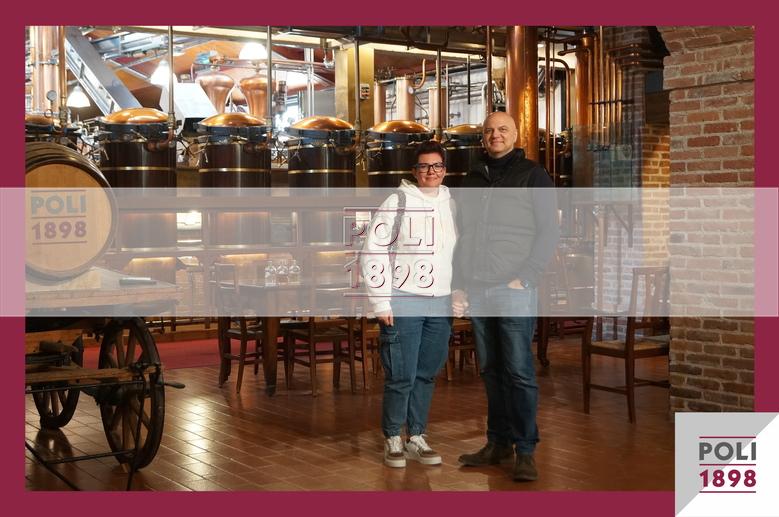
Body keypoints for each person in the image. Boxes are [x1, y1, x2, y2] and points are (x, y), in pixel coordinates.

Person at [452, 112, 560, 482]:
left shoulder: (533, 175)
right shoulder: (472, 178)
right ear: (482, 138)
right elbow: (462, 235)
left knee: (518, 370)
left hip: (512, 289)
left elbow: (549, 231)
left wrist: (526, 277)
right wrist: (460, 282)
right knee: (491, 370)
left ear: (515, 134)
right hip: (478, 287)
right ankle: (497, 442)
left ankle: (525, 449)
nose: (495, 135)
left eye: (502, 129)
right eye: (489, 131)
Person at [361, 140, 457, 468]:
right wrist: (380, 301)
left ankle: (416, 436)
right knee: (401, 375)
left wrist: (459, 293)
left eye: (437, 166)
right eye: (424, 166)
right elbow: (373, 251)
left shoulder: (452, 204)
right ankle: (392, 437)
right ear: (414, 171)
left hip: (441, 302)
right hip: (404, 300)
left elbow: (459, 254)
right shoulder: (398, 201)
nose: (431, 171)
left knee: (426, 374)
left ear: (445, 170)